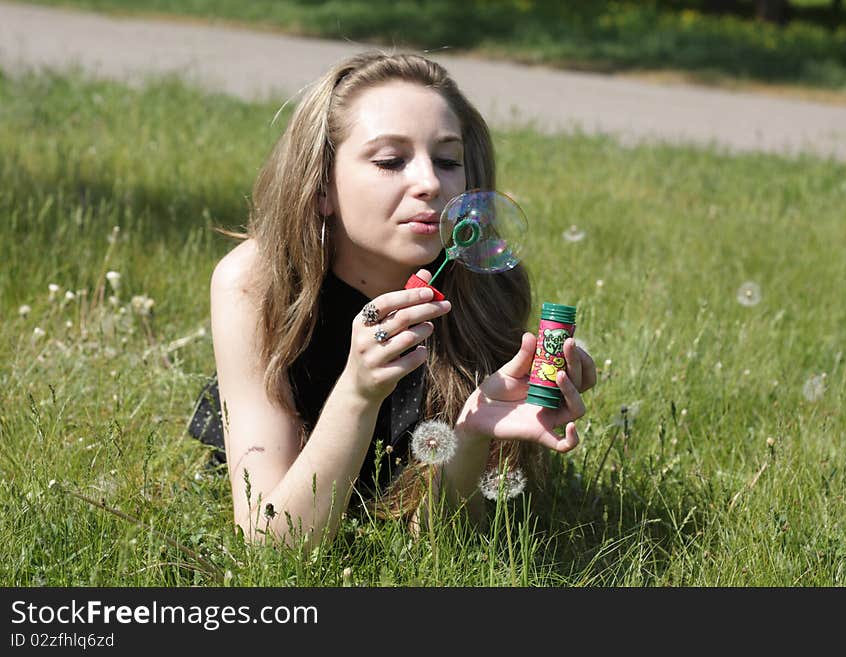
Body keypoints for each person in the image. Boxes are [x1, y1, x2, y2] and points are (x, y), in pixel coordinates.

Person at [188, 51, 596, 549]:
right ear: (321, 186)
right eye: (390, 161)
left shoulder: (486, 287)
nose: (429, 183)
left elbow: (446, 547)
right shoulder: (257, 283)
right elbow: (269, 545)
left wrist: (471, 437)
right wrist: (359, 391)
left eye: (448, 161)